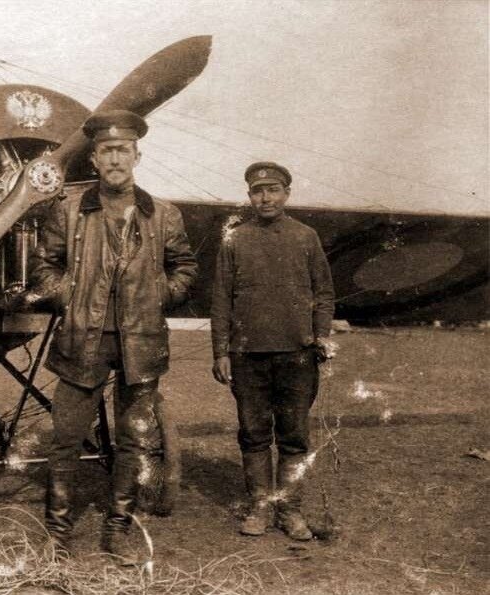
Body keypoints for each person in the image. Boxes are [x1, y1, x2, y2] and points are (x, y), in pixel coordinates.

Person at [30, 109, 198, 563]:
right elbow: (44, 266)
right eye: (106, 151)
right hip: (82, 341)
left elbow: (185, 267)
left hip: (140, 343)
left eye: (123, 150)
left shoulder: (164, 214)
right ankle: (57, 534)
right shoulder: (67, 210)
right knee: (66, 439)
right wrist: (68, 295)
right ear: (94, 159)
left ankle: (118, 528)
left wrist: (161, 293)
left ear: (137, 156)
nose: (115, 159)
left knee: (133, 439)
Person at [210, 161, 335, 541]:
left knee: (294, 435)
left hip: (298, 354)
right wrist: (221, 351)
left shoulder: (306, 237)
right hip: (248, 356)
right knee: (253, 433)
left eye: (273, 190)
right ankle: (260, 507)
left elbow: (324, 293)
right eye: (258, 191)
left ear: (287, 194)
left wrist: (321, 336)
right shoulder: (235, 239)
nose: (265, 198)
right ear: (250, 196)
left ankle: (290, 509)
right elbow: (221, 299)